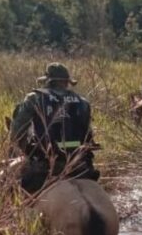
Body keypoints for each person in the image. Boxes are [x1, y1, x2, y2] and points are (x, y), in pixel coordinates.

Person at [9, 62, 98, 194]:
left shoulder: (35, 98)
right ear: (67, 82)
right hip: (79, 164)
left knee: (12, 187)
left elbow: (17, 132)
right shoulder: (83, 102)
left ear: (48, 81)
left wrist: (27, 151)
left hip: (45, 164)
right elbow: (88, 135)